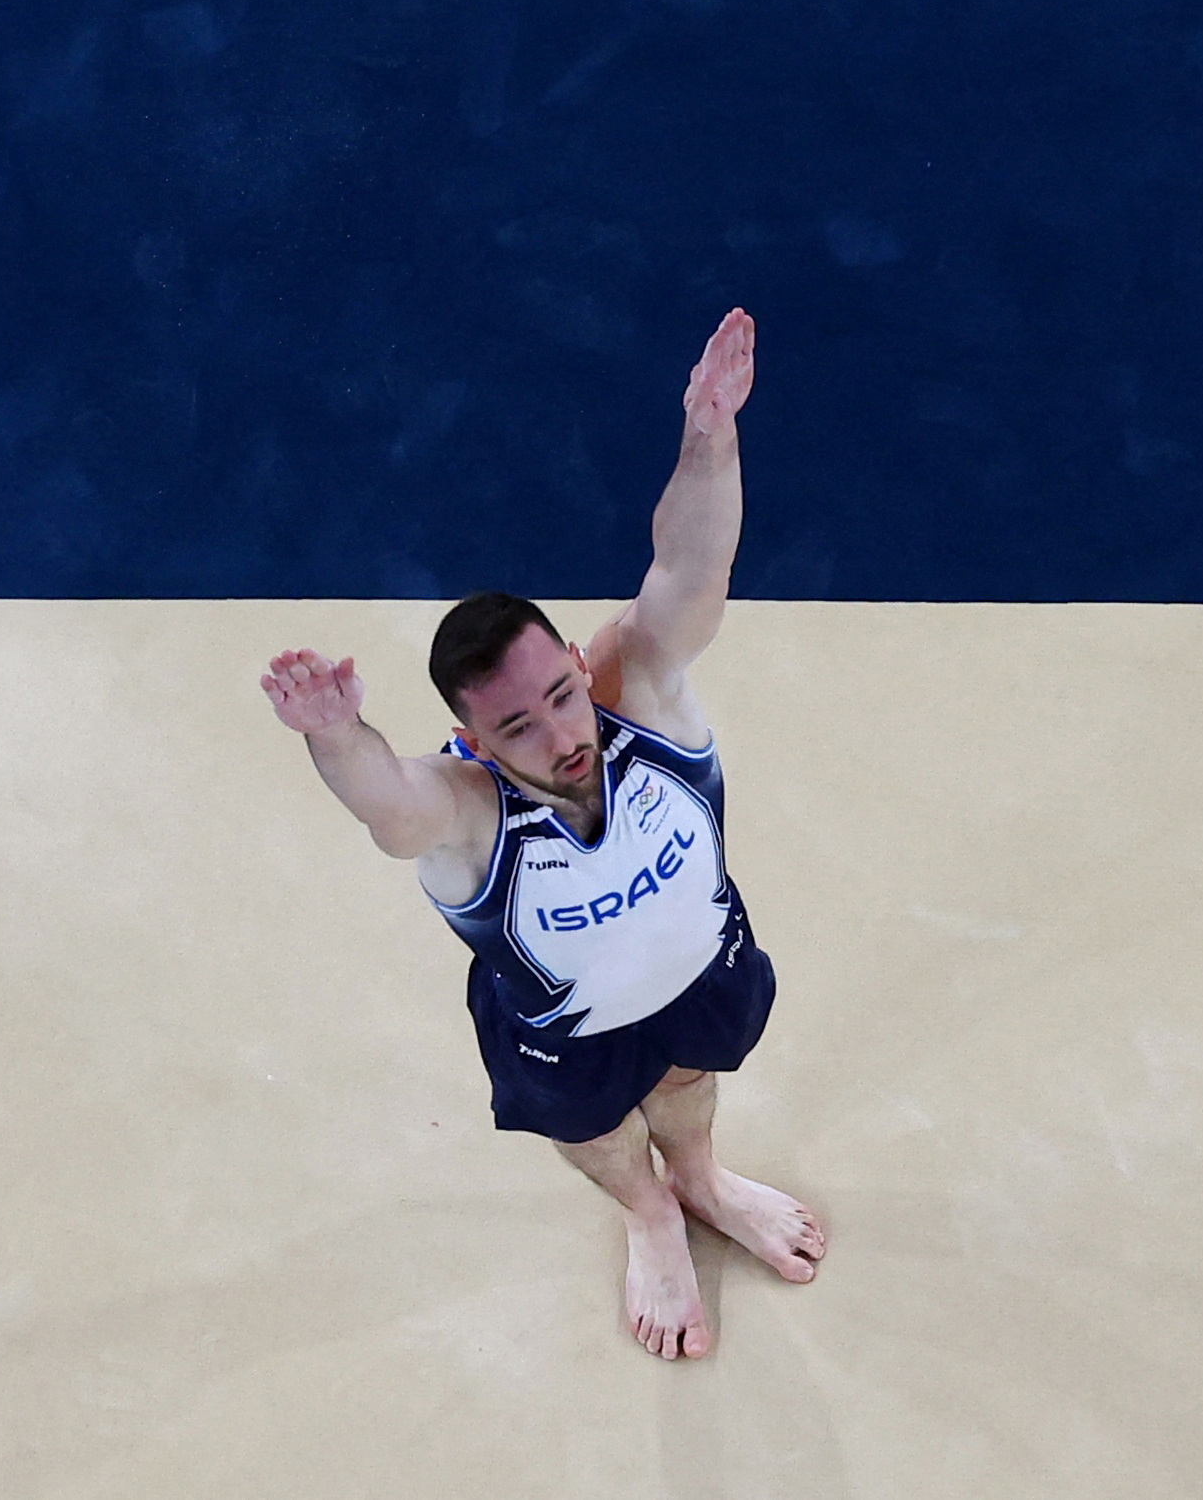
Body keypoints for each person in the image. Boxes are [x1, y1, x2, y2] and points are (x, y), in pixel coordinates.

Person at [257, 307, 826, 1360]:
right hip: (564, 1029)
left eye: (563, 694)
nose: (563, 734)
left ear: (574, 656)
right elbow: (387, 806)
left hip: (697, 966)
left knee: (690, 1082)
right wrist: (336, 737)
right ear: (469, 737)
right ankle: (648, 1215)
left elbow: (689, 571)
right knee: (595, 1130)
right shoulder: (464, 812)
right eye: (517, 724)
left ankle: (698, 1179)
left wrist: (709, 433)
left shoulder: (639, 691)